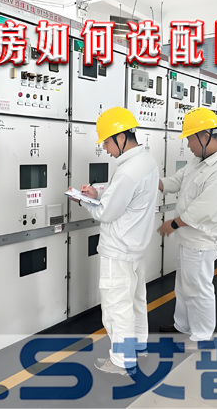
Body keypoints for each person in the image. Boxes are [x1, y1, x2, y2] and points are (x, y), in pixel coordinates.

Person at [73, 107, 159, 375]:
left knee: (116, 307)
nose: (105, 149)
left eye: (107, 142)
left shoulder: (127, 172)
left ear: (121, 137)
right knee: (136, 299)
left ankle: (122, 361)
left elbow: (106, 213)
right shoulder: (147, 161)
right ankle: (139, 345)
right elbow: (126, 201)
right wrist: (98, 195)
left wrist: (83, 201)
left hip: (118, 250)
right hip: (136, 247)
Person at [157, 107, 217, 346]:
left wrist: (172, 224)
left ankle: (202, 335)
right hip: (188, 237)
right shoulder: (199, 160)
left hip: (202, 240)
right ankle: (182, 326)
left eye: (190, 138)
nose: (188, 145)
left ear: (204, 136)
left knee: (199, 288)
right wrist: (152, 182)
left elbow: (202, 210)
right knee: (184, 286)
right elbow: (176, 181)